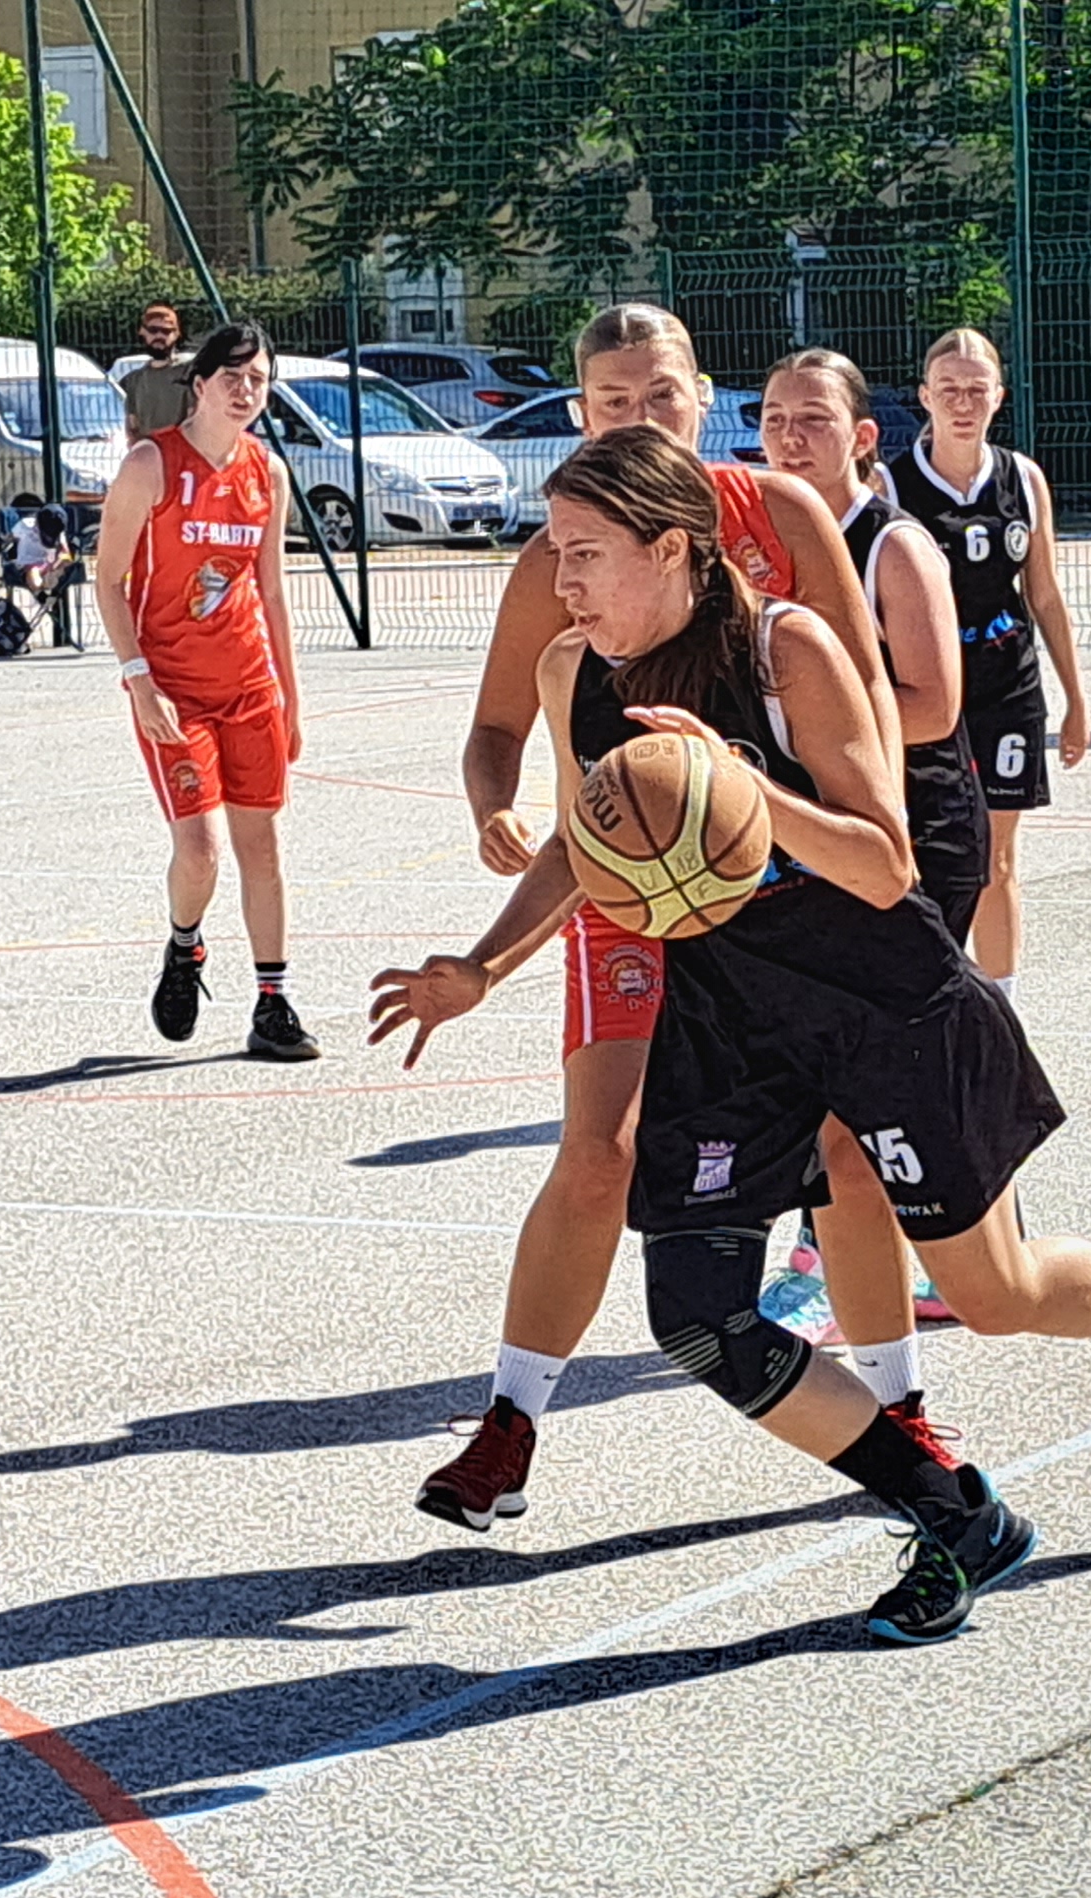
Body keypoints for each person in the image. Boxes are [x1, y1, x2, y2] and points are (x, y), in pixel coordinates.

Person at [379, 430, 1091, 1642]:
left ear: (669, 549)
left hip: (882, 1008)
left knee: (992, 1293)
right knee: (698, 1316)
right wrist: (481, 965)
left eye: (584, 554)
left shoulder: (789, 652)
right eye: (555, 554)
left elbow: (886, 863)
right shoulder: (575, 671)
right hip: (728, 1027)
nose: (558, 581)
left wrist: (740, 788)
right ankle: (955, 1515)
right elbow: (589, 840)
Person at [379, 299, 886, 1533]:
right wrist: (495, 816)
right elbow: (500, 727)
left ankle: (898, 1402)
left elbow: (869, 703)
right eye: (614, 402)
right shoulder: (566, 554)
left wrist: (859, 855)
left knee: (840, 1152)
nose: (641, 416)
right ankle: (508, 1424)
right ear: (581, 410)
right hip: (632, 888)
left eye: (661, 395)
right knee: (598, 1149)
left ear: (701, 396)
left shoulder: (779, 514)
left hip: (777, 889)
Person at [755, 344, 986, 1396]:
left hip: (913, 831)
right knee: (842, 1069)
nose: (787, 435)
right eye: (772, 416)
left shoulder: (893, 544)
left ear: (859, 438)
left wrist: (810, 713)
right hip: (815, 833)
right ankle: (898, 1253)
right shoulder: (753, 538)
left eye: (811, 419)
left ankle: (839, 1267)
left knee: (869, 1072)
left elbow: (933, 705)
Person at [95, 321, 318, 1062]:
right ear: (200, 383)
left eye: (259, 379)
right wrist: (139, 680)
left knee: (263, 847)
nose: (246, 390)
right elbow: (109, 580)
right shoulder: (151, 464)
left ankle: (273, 1002)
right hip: (174, 690)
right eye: (233, 376)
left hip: (248, 685)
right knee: (199, 850)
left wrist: (290, 696)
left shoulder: (267, 472)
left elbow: (272, 591)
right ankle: (184, 945)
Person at [900, 328, 1087, 982]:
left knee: (996, 858)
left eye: (976, 390)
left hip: (1008, 684)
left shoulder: (1023, 479)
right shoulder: (893, 485)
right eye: (948, 389)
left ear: (999, 397)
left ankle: (1003, 1007)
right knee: (930, 853)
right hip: (929, 687)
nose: (963, 403)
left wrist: (1076, 701)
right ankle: (932, 996)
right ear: (925, 396)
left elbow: (1045, 594)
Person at [120, 300, 199, 437]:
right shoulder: (134, 381)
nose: (159, 336)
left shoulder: (189, 374)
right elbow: (132, 427)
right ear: (142, 331)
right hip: (148, 448)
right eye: (153, 330)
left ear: (176, 334)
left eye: (166, 331)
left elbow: (194, 422)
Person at [0, 489, 74, 628]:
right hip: (29, 562)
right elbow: (10, 539)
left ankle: (51, 583)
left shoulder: (59, 531)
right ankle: (42, 592)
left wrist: (59, 563)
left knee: (65, 563)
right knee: (33, 573)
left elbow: (65, 552)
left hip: (49, 563)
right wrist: (7, 546)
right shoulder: (25, 525)